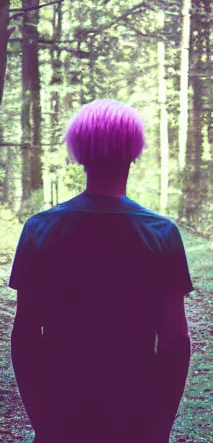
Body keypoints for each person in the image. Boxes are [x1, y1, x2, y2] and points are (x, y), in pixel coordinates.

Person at [9, 99, 193, 443]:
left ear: (78, 154)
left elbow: (26, 336)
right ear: (134, 154)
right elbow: (174, 340)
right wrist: (160, 429)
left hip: (60, 411)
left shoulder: (39, 229)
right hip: (136, 413)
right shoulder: (161, 233)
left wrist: (42, 423)